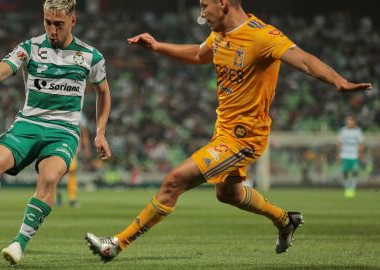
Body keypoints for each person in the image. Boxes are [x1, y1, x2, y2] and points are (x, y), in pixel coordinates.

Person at [85, 0, 372, 261]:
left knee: (174, 181)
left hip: (245, 137)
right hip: (223, 132)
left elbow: (304, 60)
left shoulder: (263, 36)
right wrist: (158, 46)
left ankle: (116, 244)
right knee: (228, 194)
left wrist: (338, 81)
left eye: (204, 5)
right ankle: (285, 220)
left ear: (223, 3)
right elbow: (199, 54)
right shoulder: (220, 34)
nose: (201, 13)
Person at [0, 0, 112, 265]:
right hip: (27, 125)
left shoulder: (91, 57)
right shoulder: (29, 48)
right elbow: (1, 69)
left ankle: (19, 243)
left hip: (63, 132)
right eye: (47, 23)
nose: (52, 30)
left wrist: (100, 132)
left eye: (59, 24)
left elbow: (103, 93)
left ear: (72, 22)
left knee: (49, 177)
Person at [56, 113, 91, 207]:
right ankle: (57, 195)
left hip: (73, 146)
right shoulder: (62, 110)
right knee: (59, 172)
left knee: (71, 172)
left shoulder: (80, 115)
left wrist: (87, 147)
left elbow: (84, 132)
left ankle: (72, 198)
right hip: (59, 144)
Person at [337, 116, 364, 198]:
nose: (350, 122)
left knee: (355, 171)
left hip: (354, 155)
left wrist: (361, 153)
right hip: (345, 154)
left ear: (354, 122)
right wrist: (338, 153)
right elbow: (339, 142)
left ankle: (352, 188)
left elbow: (361, 143)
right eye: (348, 121)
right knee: (345, 172)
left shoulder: (358, 131)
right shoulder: (343, 131)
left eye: (351, 121)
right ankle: (347, 187)